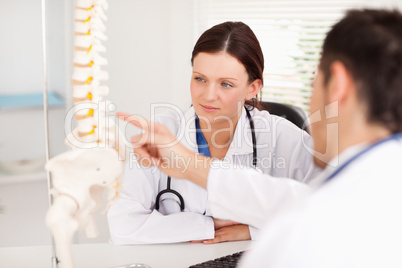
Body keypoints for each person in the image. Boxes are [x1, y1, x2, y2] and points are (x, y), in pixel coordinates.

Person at [122, 8, 402, 267]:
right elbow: (294, 200)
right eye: (199, 78)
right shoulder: (375, 180)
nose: (208, 95)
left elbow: (305, 208)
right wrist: (209, 219)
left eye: (313, 84)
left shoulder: (297, 152)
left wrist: (247, 227)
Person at [108, 21, 318, 244]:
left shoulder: (284, 138)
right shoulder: (162, 133)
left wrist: (253, 231)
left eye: (226, 84)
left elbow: (329, 213)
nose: (208, 95)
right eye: (200, 79)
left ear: (252, 88)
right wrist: (205, 226)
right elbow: (122, 226)